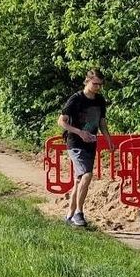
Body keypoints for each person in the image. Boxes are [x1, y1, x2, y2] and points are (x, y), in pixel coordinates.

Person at [58, 69, 115, 227]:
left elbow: (102, 122)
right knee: (87, 175)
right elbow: (61, 122)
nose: (97, 87)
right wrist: (79, 132)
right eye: (95, 84)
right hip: (74, 142)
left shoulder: (100, 100)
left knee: (79, 179)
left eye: (100, 85)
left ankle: (69, 214)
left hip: (91, 143)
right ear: (87, 81)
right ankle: (79, 213)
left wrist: (108, 139)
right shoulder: (76, 99)